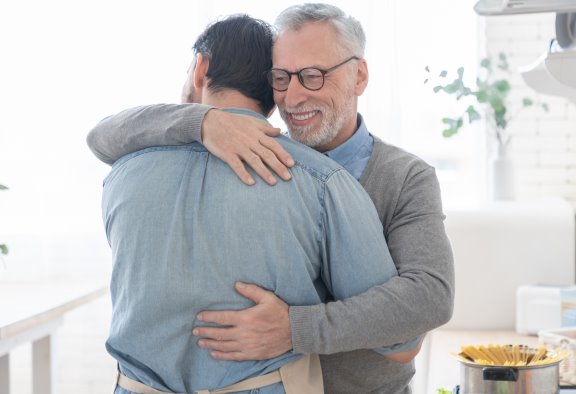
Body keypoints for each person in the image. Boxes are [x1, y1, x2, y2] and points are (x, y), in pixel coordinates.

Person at [88, 4, 454, 393]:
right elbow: (101, 137)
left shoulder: (400, 176)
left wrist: (296, 329)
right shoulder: (299, 173)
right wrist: (203, 122)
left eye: (313, 76)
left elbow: (427, 299)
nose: (293, 96)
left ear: (359, 74)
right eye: (281, 78)